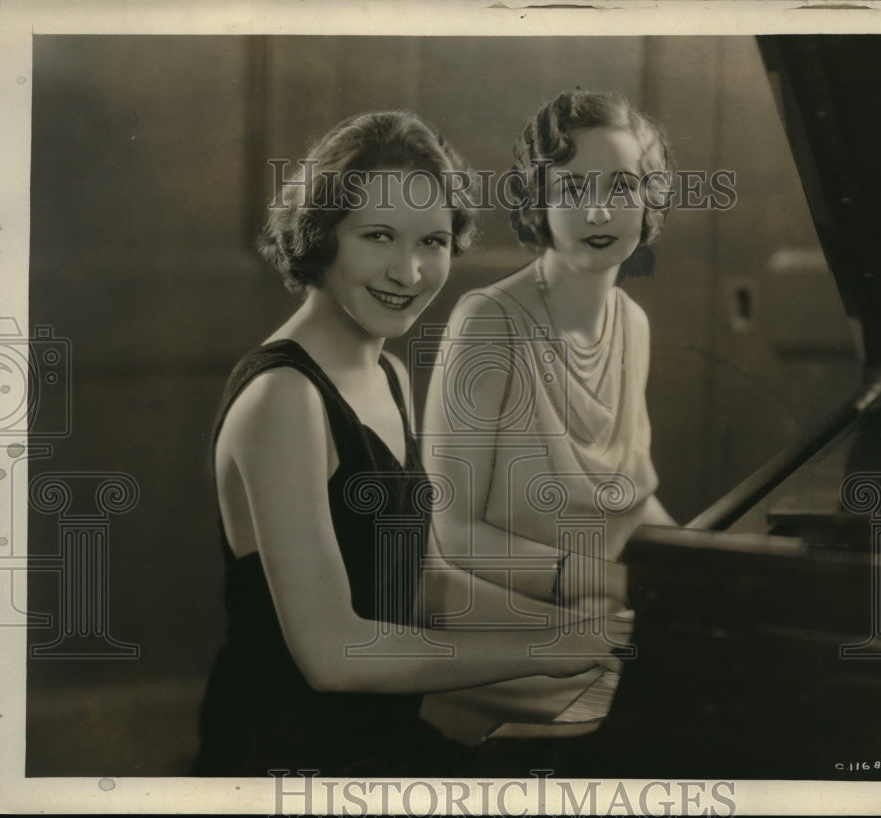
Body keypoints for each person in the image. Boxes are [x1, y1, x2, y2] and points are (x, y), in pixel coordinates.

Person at [192, 111, 627, 777]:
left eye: (433, 241)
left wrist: (575, 626)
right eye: (377, 237)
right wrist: (546, 650)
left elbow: (414, 583)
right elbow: (334, 653)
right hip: (289, 761)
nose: (410, 271)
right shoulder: (285, 398)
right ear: (322, 237)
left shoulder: (387, 374)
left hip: (376, 744)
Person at [420, 90, 676, 744]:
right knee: (656, 704)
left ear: (651, 199)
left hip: (593, 610)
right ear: (537, 200)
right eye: (571, 188)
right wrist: (605, 580)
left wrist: (712, 564)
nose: (597, 210)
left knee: (711, 676)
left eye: (622, 187)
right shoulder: (488, 322)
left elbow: (628, 503)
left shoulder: (633, 326)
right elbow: (450, 534)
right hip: (486, 621)